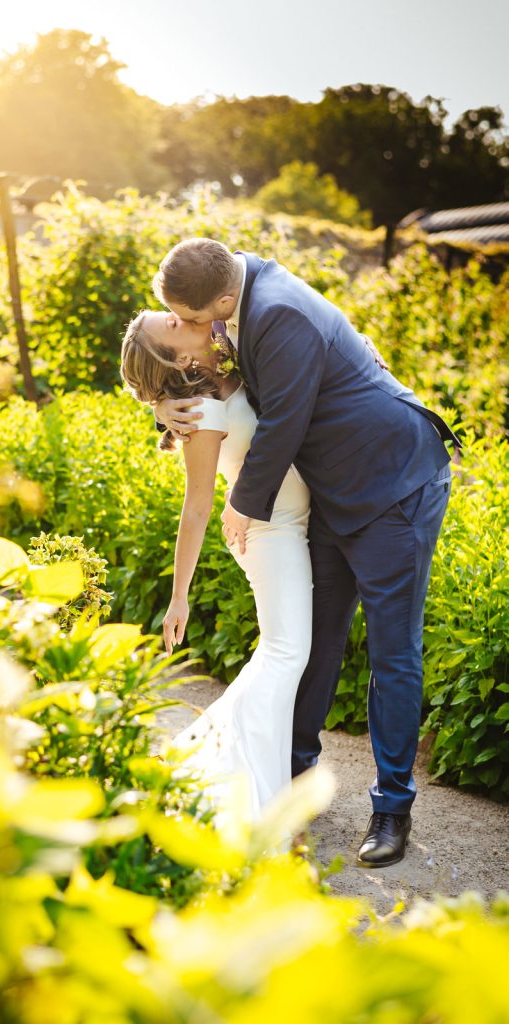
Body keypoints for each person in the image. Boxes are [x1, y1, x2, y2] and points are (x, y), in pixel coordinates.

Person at [152, 238, 460, 868]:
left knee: (392, 652)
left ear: (223, 300)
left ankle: (392, 808)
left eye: (191, 318)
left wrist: (243, 503)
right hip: (334, 495)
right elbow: (226, 390)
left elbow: (286, 418)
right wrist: (162, 403)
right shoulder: (236, 303)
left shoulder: (279, 310)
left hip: (393, 485)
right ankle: (295, 773)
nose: (188, 329)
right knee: (314, 638)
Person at [120, 310, 313, 825]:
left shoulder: (228, 354)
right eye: (172, 323)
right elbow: (197, 506)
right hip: (270, 534)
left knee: (283, 655)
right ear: (174, 356)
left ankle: (193, 765)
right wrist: (178, 595)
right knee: (285, 655)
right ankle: (225, 786)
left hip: (294, 523)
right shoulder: (199, 411)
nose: (182, 317)